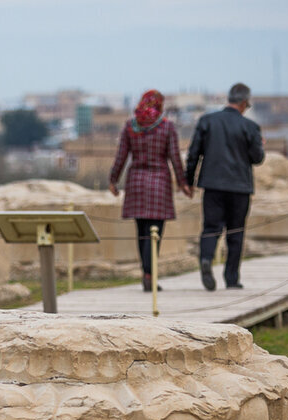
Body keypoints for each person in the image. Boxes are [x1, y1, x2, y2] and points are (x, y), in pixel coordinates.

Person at [109, 90, 192, 291]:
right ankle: (149, 273)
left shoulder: (131, 126)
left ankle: (146, 272)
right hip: (159, 183)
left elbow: (121, 156)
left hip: (136, 182)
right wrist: (183, 182)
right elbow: (174, 157)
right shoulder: (167, 127)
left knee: (142, 232)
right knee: (156, 233)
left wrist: (113, 180)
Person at [185, 82, 265, 290]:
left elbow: (193, 154)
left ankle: (206, 259)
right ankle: (232, 278)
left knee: (211, 228)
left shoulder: (207, 121)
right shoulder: (250, 127)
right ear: (245, 102)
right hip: (240, 187)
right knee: (236, 232)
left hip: (212, 185)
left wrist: (189, 181)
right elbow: (257, 158)